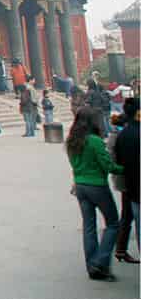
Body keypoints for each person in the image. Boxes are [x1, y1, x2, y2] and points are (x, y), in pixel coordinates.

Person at [66, 106, 124, 281]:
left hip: (81, 185)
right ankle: (100, 260)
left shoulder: (72, 140)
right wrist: (125, 168)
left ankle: (92, 265)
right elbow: (108, 166)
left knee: (89, 226)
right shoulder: (95, 141)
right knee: (113, 223)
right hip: (97, 185)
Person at [112, 97, 139, 265]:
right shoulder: (126, 132)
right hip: (129, 179)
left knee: (127, 215)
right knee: (129, 214)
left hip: (125, 179)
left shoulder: (121, 132)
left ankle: (121, 249)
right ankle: (120, 248)